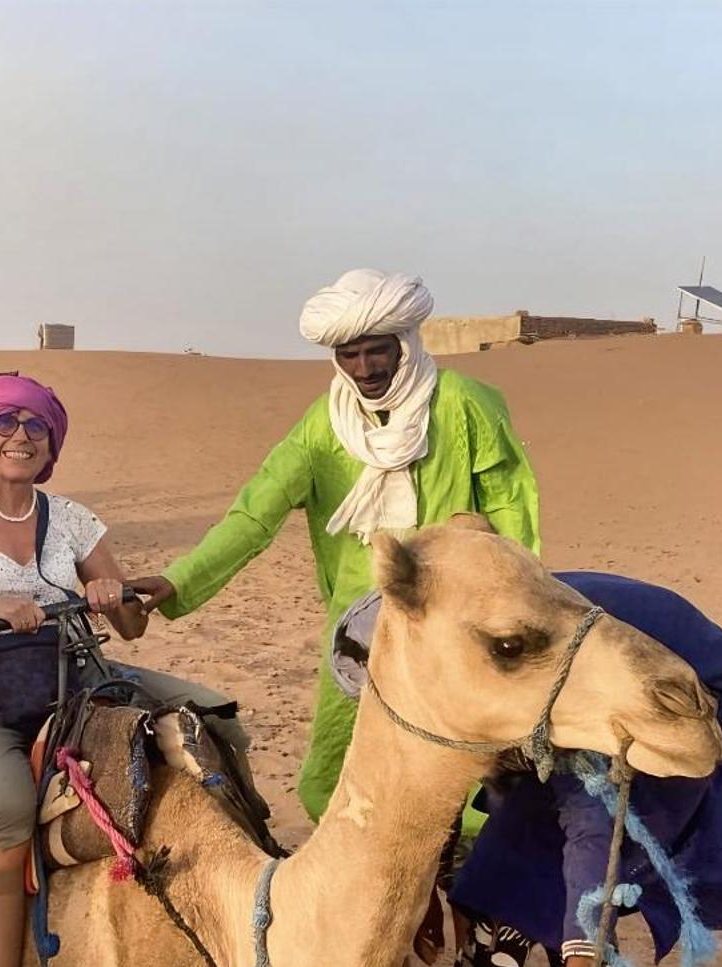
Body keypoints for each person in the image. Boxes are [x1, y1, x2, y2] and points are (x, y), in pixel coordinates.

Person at [0, 373, 242, 967]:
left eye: (35, 426)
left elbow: (130, 626)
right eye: (8, 423)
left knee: (214, 721)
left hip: (76, 681)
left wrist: (113, 596)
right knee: (8, 805)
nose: (20, 436)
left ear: (51, 442)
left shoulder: (76, 521)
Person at [128, 268, 541, 822]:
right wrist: (180, 580)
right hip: (358, 634)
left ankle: (475, 891)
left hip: (456, 623)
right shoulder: (323, 427)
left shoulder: (465, 405)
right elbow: (254, 516)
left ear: (405, 343)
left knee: (470, 778)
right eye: (350, 355)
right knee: (330, 778)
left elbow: (512, 515)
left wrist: (513, 614)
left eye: (376, 351)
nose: (365, 369)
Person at [351, 573, 722, 967]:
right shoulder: (469, 640)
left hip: (680, 702)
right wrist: (427, 881)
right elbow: (444, 769)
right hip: (622, 678)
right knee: (511, 865)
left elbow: (592, 834)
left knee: (529, 874)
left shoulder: (539, 673)